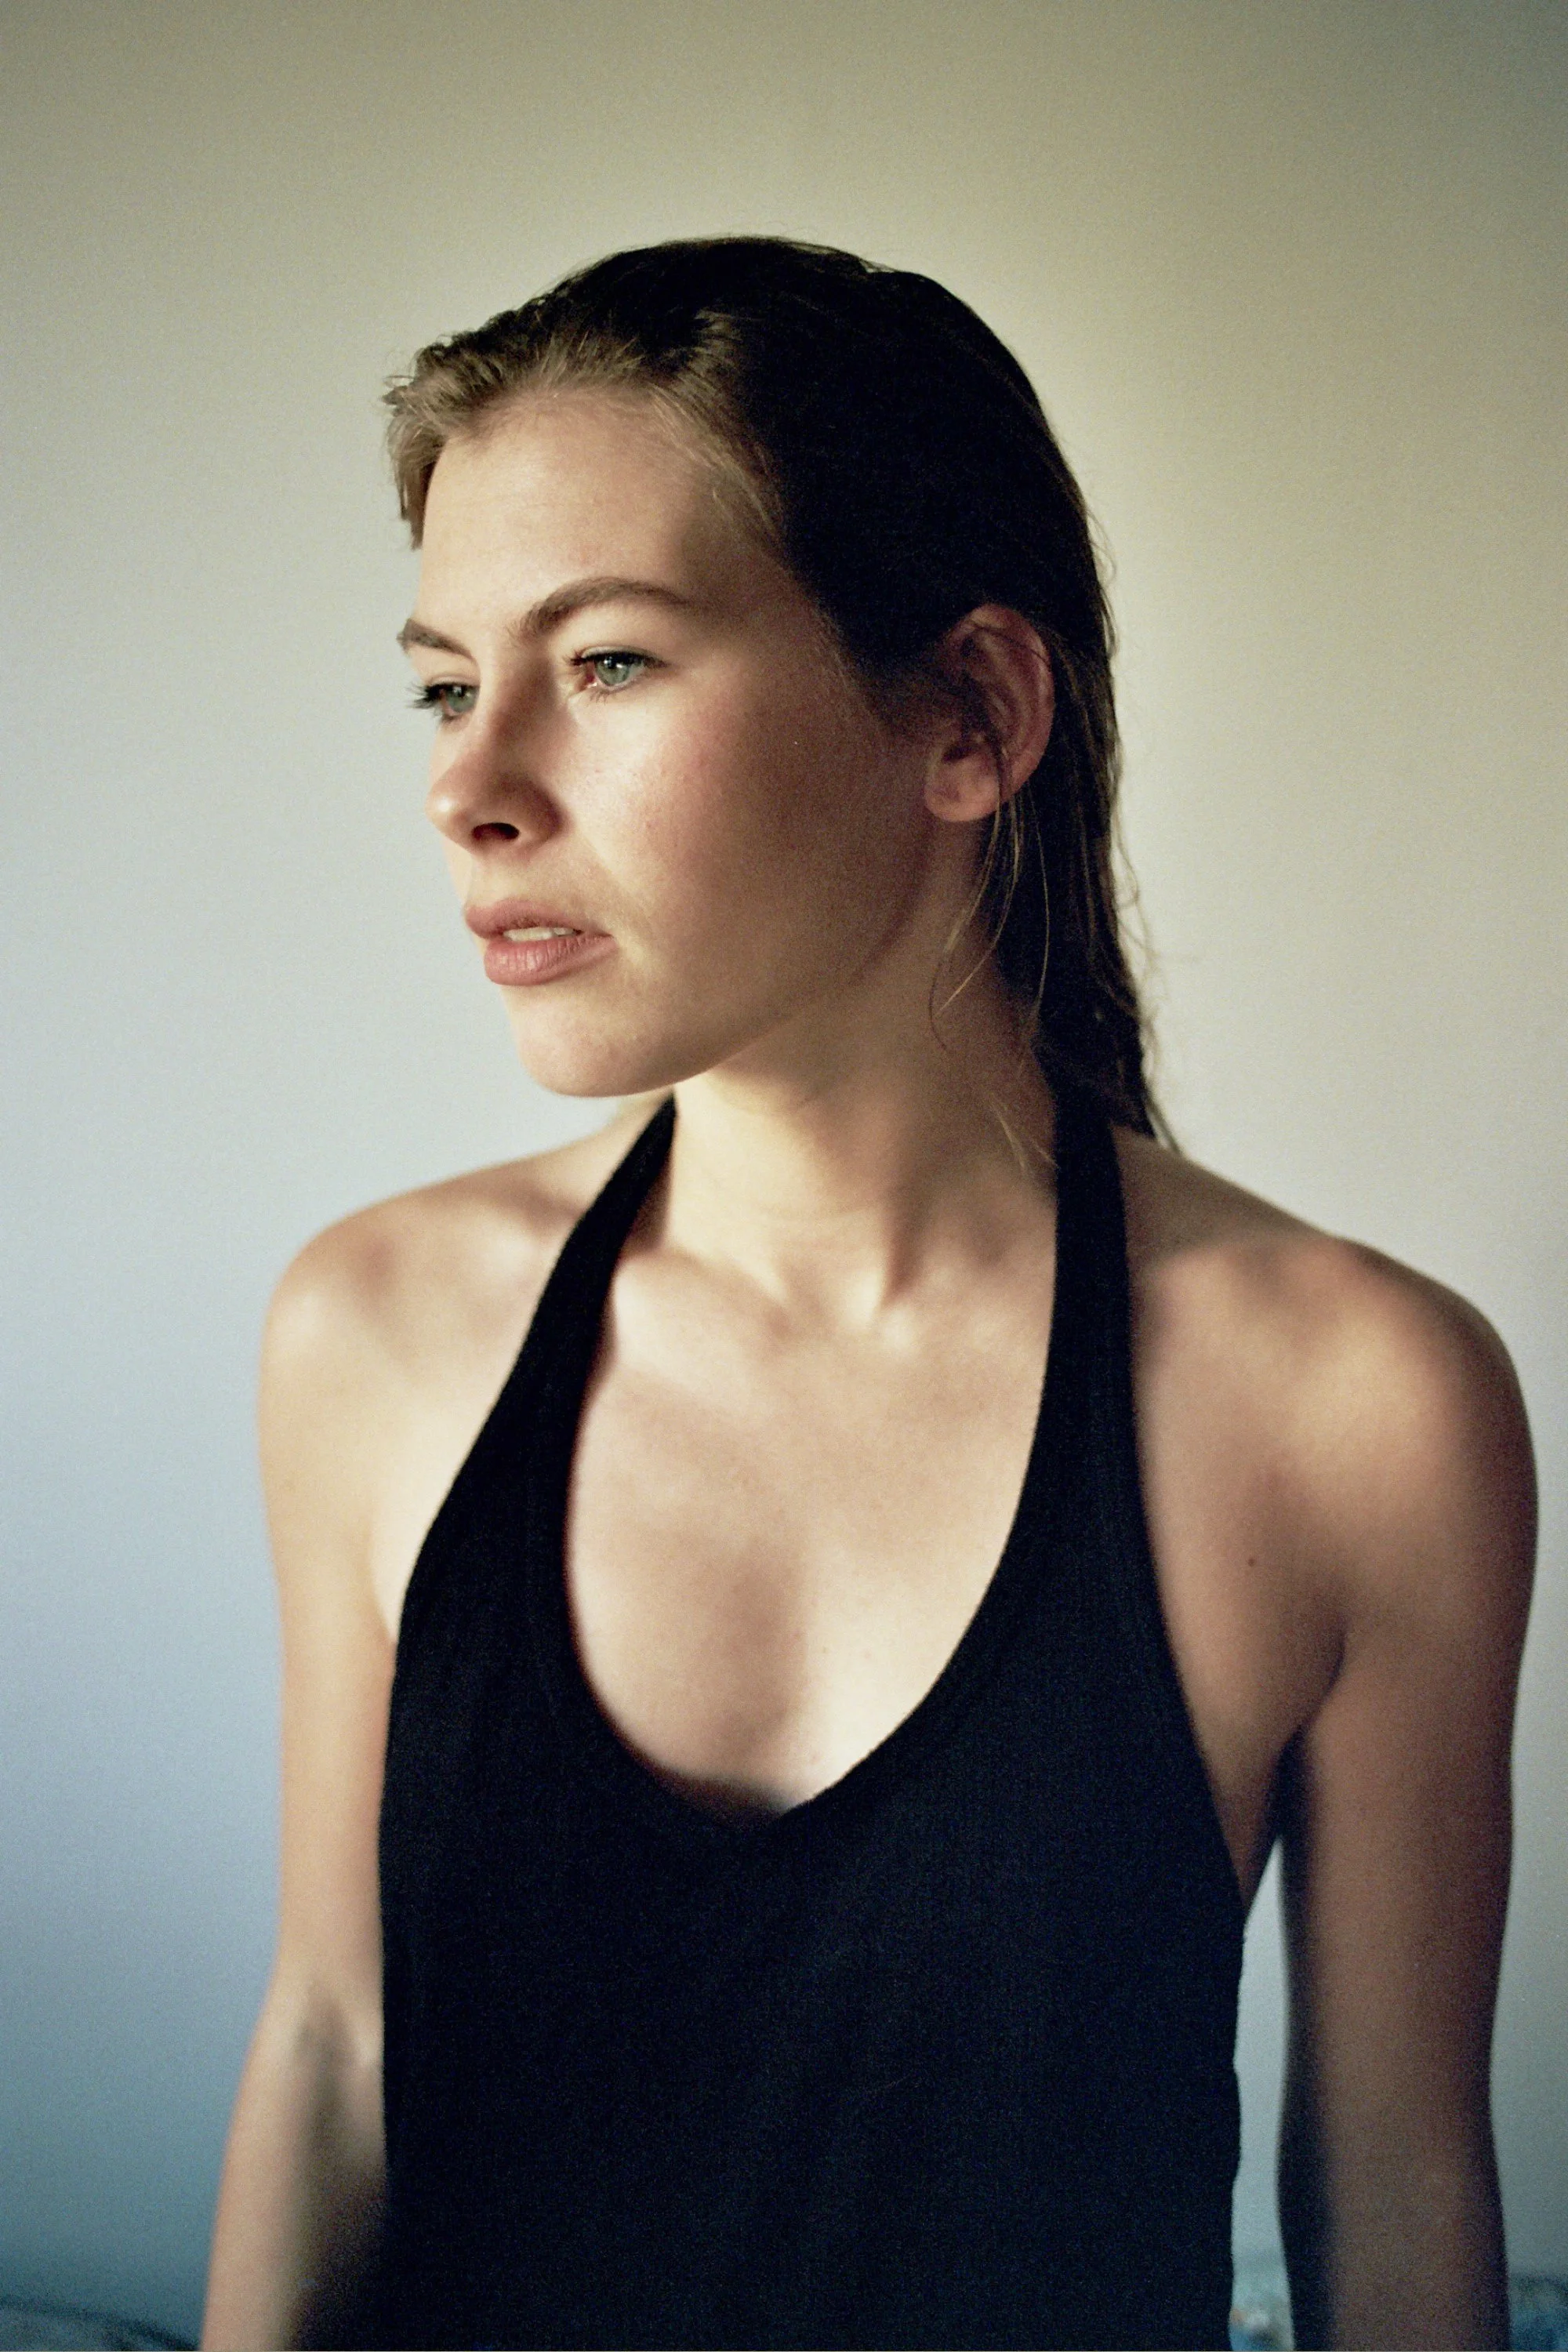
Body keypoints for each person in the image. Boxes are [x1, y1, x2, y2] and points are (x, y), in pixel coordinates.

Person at [199, 237, 1536, 2352]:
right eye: (448, 683)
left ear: (971, 719)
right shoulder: (374, 1339)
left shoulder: (1357, 1406)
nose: (469, 788)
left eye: (610, 663)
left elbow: (1389, 2184)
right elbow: (336, 2053)